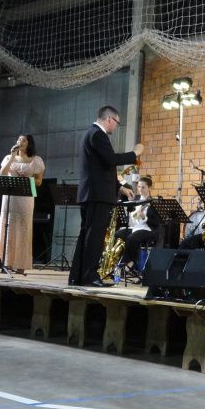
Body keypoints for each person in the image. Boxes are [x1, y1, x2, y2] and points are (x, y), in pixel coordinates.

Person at [69, 106, 143, 287]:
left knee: (86, 235)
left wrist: (120, 187)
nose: (116, 126)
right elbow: (111, 160)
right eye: (117, 122)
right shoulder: (98, 134)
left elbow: (102, 168)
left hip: (92, 193)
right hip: (97, 195)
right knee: (94, 237)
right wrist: (135, 153)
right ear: (110, 119)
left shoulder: (91, 134)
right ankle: (89, 277)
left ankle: (77, 276)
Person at [0, 134, 45, 275]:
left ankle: (21, 265)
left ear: (29, 144)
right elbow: (3, 173)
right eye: (18, 140)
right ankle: (6, 263)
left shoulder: (36, 160)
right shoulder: (8, 158)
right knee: (8, 227)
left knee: (23, 229)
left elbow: (39, 181)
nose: (20, 142)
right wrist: (11, 157)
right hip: (10, 198)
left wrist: (26, 181)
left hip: (26, 197)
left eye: (23, 140)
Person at [115, 175, 159, 276]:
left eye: (143, 187)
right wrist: (131, 204)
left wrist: (144, 217)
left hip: (147, 229)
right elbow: (132, 219)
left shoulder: (154, 202)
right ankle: (116, 263)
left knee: (131, 238)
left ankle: (131, 263)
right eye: (139, 187)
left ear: (149, 188)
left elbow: (156, 222)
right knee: (117, 234)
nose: (140, 189)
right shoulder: (136, 199)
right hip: (135, 228)